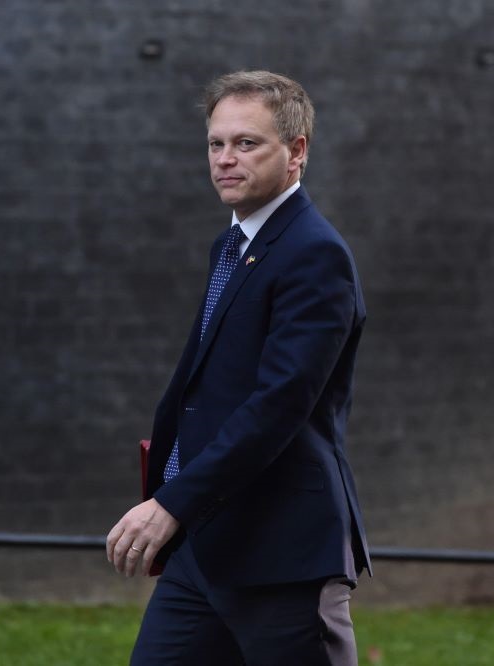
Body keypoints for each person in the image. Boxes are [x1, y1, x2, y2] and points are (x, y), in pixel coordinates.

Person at [106, 70, 371, 666]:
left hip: (282, 552)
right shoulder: (235, 244)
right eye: (215, 143)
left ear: (296, 152)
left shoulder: (315, 255)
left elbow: (277, 407)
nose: (225, 159)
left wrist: (172, 502)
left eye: (246, 143)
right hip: (206, 544)